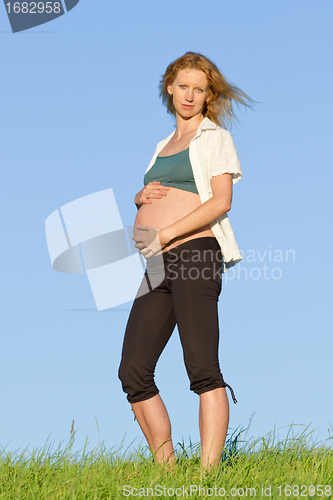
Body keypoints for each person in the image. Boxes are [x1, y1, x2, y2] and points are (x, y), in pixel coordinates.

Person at [118, 52, 252, 469]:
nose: (189, 95)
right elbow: (159, 194)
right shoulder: (162, 146)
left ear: (209, 95)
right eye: (182, 86)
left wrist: (167, 232)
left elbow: (221, 201)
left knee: (201, 366)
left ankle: (208, 475)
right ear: (169, 88)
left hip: (195, 252)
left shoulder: (215, 138)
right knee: (133, 370)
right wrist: (138, 198)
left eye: (199, 88)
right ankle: (168, 472)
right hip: (157, 263)